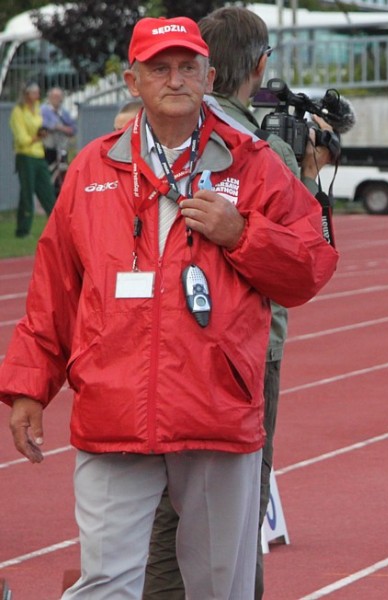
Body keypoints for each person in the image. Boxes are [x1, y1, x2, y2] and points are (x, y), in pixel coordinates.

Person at [0, 14, 338, 600]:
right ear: (133, 82)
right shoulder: (92, 170)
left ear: (209, 76)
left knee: (218, 586)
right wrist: (30, 389)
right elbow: (53, 291)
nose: (175, 79)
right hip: (113, 409)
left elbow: (311, 267)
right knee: (105, 581)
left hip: (214, 409)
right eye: (160, 68)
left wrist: (243, 234)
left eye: (188, 67)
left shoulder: (254, 163)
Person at [142, 7, 336, 600]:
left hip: (159, 340)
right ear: (260, 65)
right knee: (230, 513)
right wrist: (309, 176)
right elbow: (302, 255)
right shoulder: (255, 148)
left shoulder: (160, 131)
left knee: (158, 507)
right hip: (242, 352)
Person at [8, 81, 56, 237]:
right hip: (25, 155)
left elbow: (39, 127)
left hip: (38, 154)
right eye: (34, 93)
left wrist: (41, 133)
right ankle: (23, 229)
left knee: (47, 191)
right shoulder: (18, 111)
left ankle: (56, 225)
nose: (37, 95)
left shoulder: (37, 108)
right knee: (27, 192)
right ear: (27, 94)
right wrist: (37, 137)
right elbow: (21, 139)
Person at [40, 86, 77, 167]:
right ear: (49, 97)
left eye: (59, 97)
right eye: (54, 97)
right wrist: (61, 127)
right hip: (48, 147)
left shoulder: (64, 112)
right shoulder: (43, 109)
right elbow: (43, 124)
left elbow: (73, 128)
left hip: (62, 147)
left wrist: (60, 128)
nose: (57, 99)